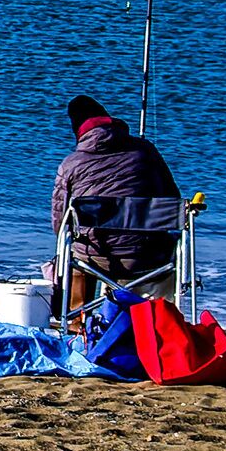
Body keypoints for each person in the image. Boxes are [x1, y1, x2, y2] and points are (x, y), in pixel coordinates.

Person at [51, 95, 182, 304]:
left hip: (99, 258)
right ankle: (157, 319)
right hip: (152, 254)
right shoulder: (145, 151)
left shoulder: (71, 165)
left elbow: (60, 224)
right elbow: (172, 198)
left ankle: (78, 321)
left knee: (75, 247)